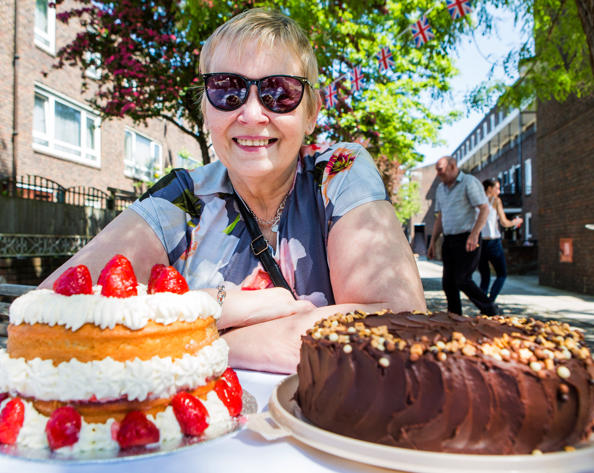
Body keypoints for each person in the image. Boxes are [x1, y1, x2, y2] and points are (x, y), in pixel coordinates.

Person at [39, 9, 426, 373]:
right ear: (207, 110)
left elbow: (402, 326)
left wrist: (196, 337)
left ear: (311, 114)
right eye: (227, 90)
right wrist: (222, 305)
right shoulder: (180, 198)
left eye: (279, 92)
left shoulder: (338, 170)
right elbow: (48, 313)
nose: (253, 113)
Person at [427, 156, 497, 316]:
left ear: (452, 166)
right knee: (448, 283)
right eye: (437, 170)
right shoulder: (440, 189)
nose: (438, 174)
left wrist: (474, 234)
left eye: (441, 169)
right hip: (449, 239)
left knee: (462, 278)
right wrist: (433, 241)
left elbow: (484, 209)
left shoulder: (469, 182)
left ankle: (491, 310)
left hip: (468, 238)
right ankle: (454, 316)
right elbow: (440, 217)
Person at [478, 178, 523, 302]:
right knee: (502, 274)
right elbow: (504, 222)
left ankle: (483, 304)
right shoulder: (495, 201)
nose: (499, 191)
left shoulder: (476, 202)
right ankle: (490, 301)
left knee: (485, 276)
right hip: (493, 242)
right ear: (489, 189)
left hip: (480, 242)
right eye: (497, 188)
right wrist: (515, 222)